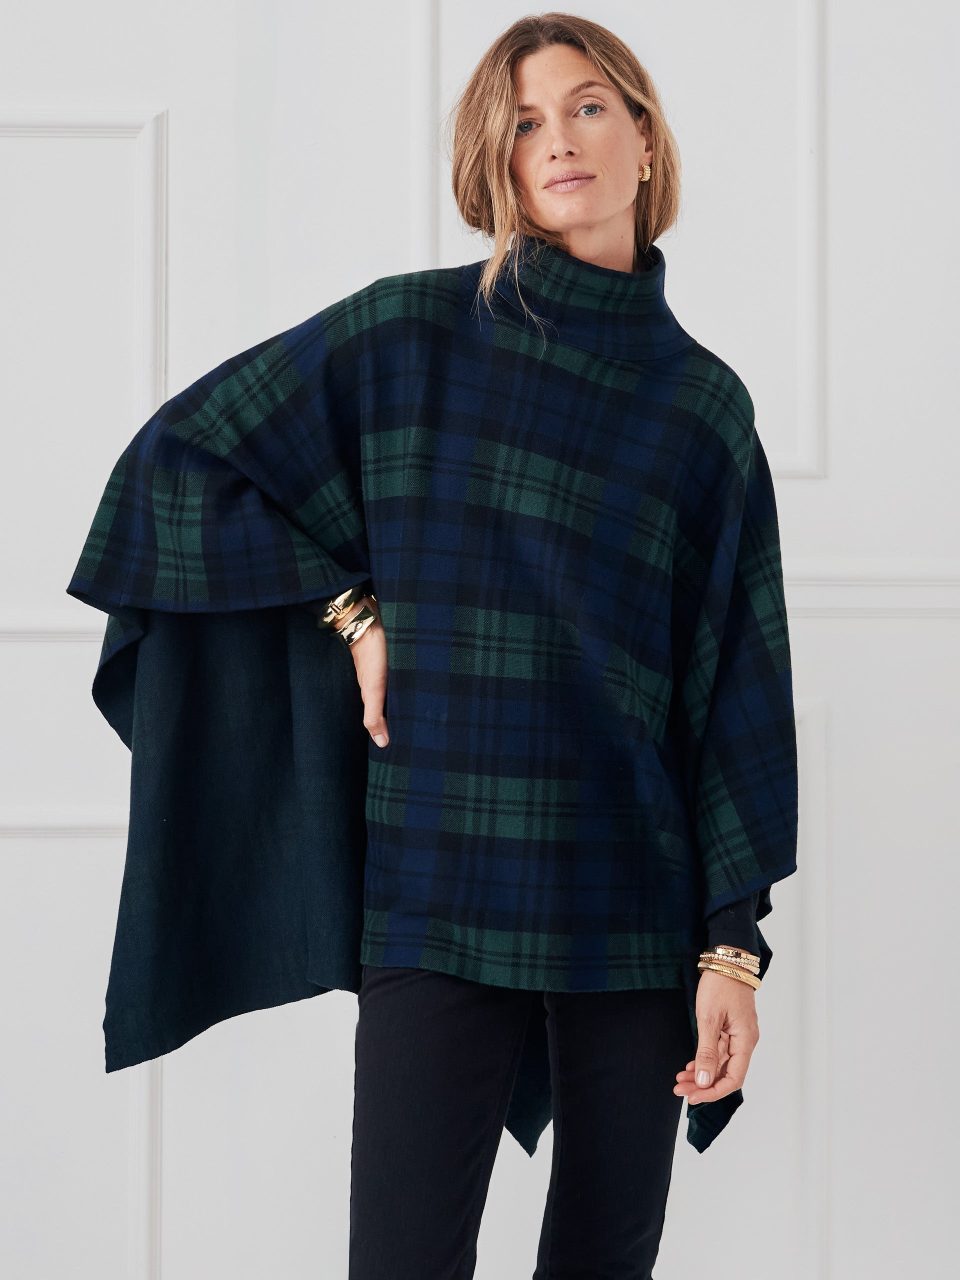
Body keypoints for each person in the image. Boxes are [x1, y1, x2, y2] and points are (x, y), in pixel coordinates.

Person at [66, 12, 798, 1279]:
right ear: (493, 160)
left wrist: (732, 946)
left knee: (606, 1259)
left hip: (631, 902)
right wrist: (352, 611)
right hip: (439, 879)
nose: (557, 140)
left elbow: (734, 682)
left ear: (642, 135)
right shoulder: (409, 339)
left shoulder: (702, 408)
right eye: (524, 122)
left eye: (586, 106)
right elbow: (184, 461)